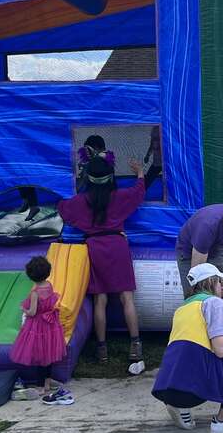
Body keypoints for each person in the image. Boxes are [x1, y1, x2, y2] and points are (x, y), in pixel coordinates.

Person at [151, 264, 223, 433]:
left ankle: (180, 407)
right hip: (194, 392)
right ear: (212, 282)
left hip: (168, 389)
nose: (222, 287)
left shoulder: (182, 308)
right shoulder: (214, 303)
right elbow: (221, 349)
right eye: (221, 283)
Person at [58, 154, 147, 374]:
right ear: (110, 177)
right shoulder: (119, 197)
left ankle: (101, 349)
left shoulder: (80, 201)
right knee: (127, 297)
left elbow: (62, 207)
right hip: (118, 245)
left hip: (93, 247)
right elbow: (138, 192)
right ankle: (135, 345)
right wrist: (140, 172)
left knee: (100, 299)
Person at [9, 256, 72, 405]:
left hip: (38, 326)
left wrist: (23, 308)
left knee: (40, 356)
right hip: (50, 326)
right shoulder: (49, 285)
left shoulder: (35, 292)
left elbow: (32, 312)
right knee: (48, 355)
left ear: (30, 275)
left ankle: (39, 387)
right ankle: (48, 383)